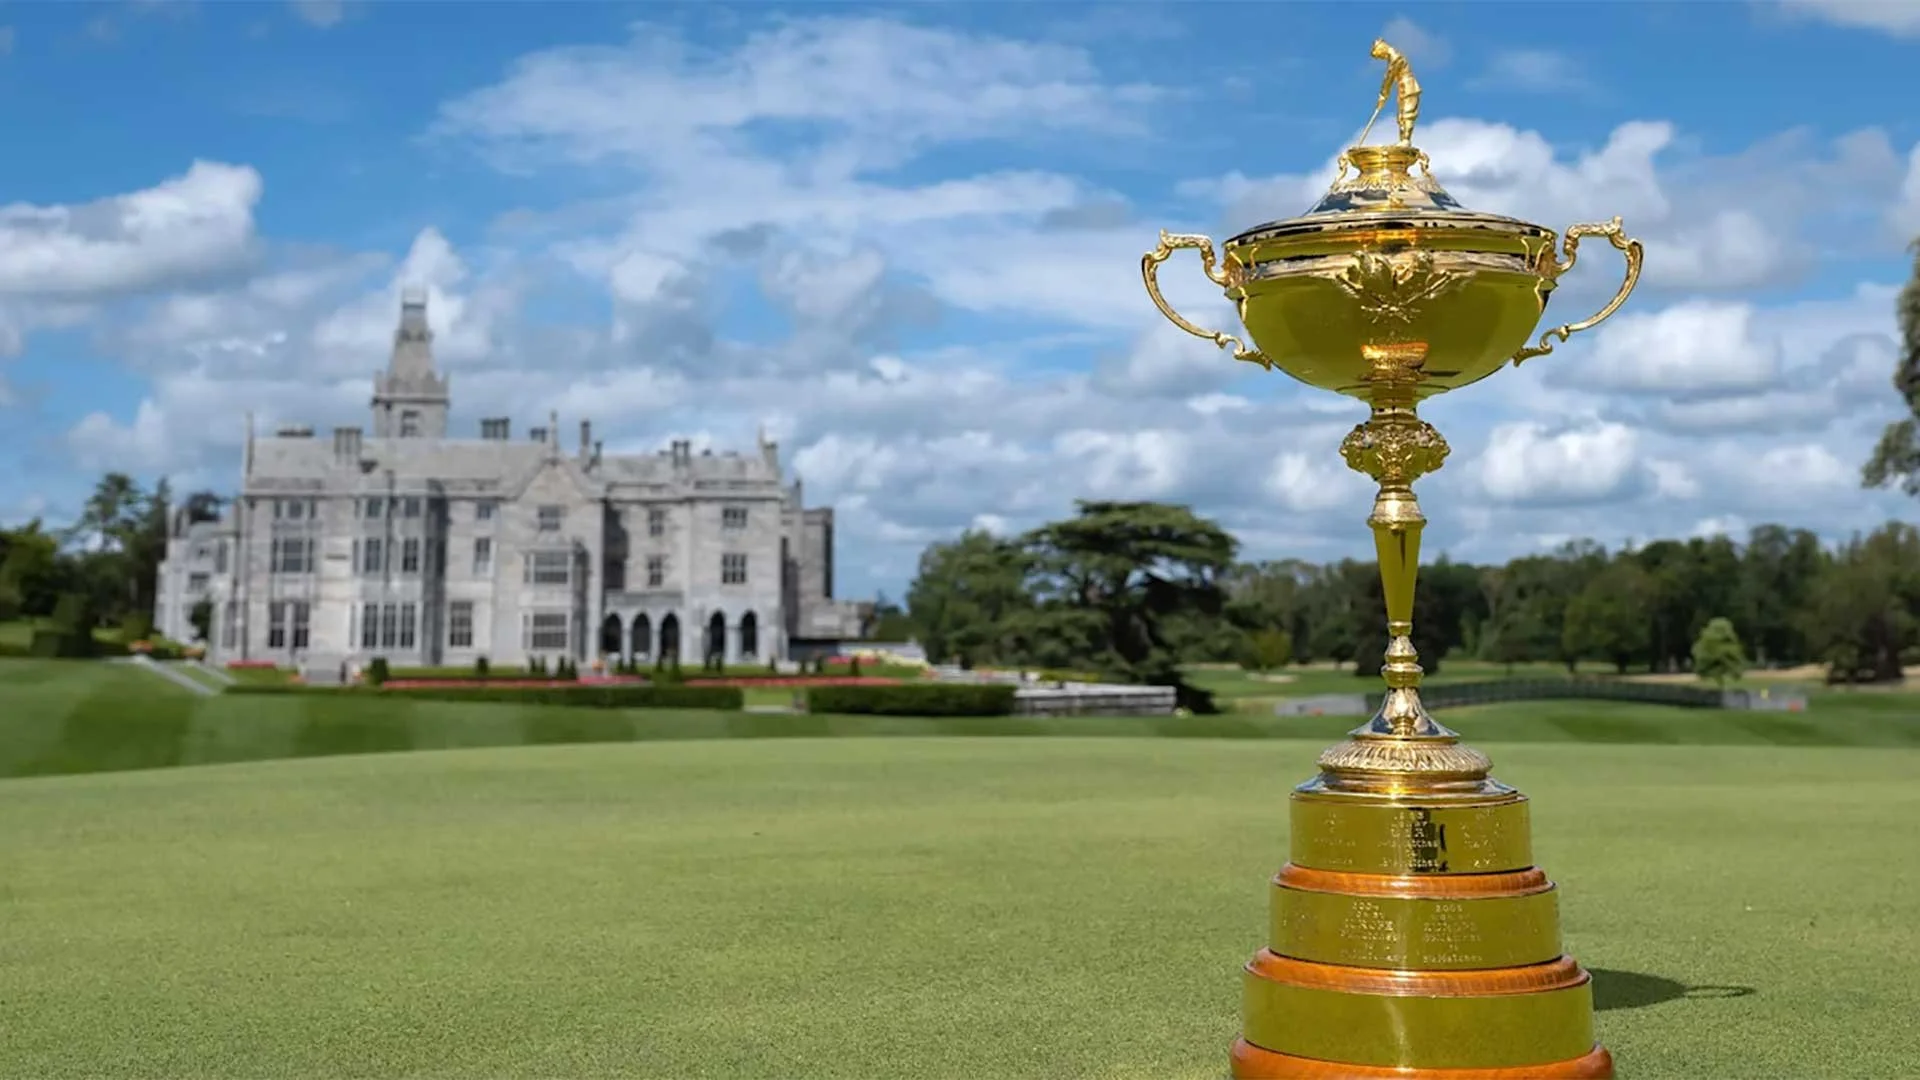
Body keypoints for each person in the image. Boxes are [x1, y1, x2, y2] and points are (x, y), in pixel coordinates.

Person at [1370, 38, 1421, 147]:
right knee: (1402, 116)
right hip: (1403, 87)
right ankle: (1403, 139)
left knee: (1407, 113)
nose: (1381, 58)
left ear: (1381, 48)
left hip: (1409, 87)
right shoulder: (1393, 57)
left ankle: (1406, 140)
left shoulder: (1395, 58)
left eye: (1380, 55)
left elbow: (1389, 77)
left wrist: (1382, 96)